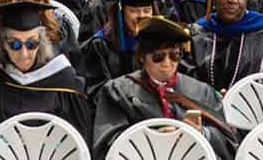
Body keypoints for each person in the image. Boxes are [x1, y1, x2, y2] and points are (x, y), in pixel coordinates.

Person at [93, 17, 237, 160]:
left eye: (174, 56)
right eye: (158, 57)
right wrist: (152, 139)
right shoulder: (118, 91)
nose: (167, 64)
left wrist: (202, 133)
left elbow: (229, 143)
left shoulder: (201, 91)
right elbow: (107, 144)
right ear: (142, 57)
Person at [0, 0, 90, 141]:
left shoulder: (64, 80)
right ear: (2, 43)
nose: (24, 54)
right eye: (15, 44)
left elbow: (78, 137)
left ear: (41, 42)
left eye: (31, 44)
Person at [81, 0, 167, 95]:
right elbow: (98, 92)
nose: (142, 16)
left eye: (147, 10)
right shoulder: (101, 44)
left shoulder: (161, 41)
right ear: (120, 13)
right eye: (134, 11)